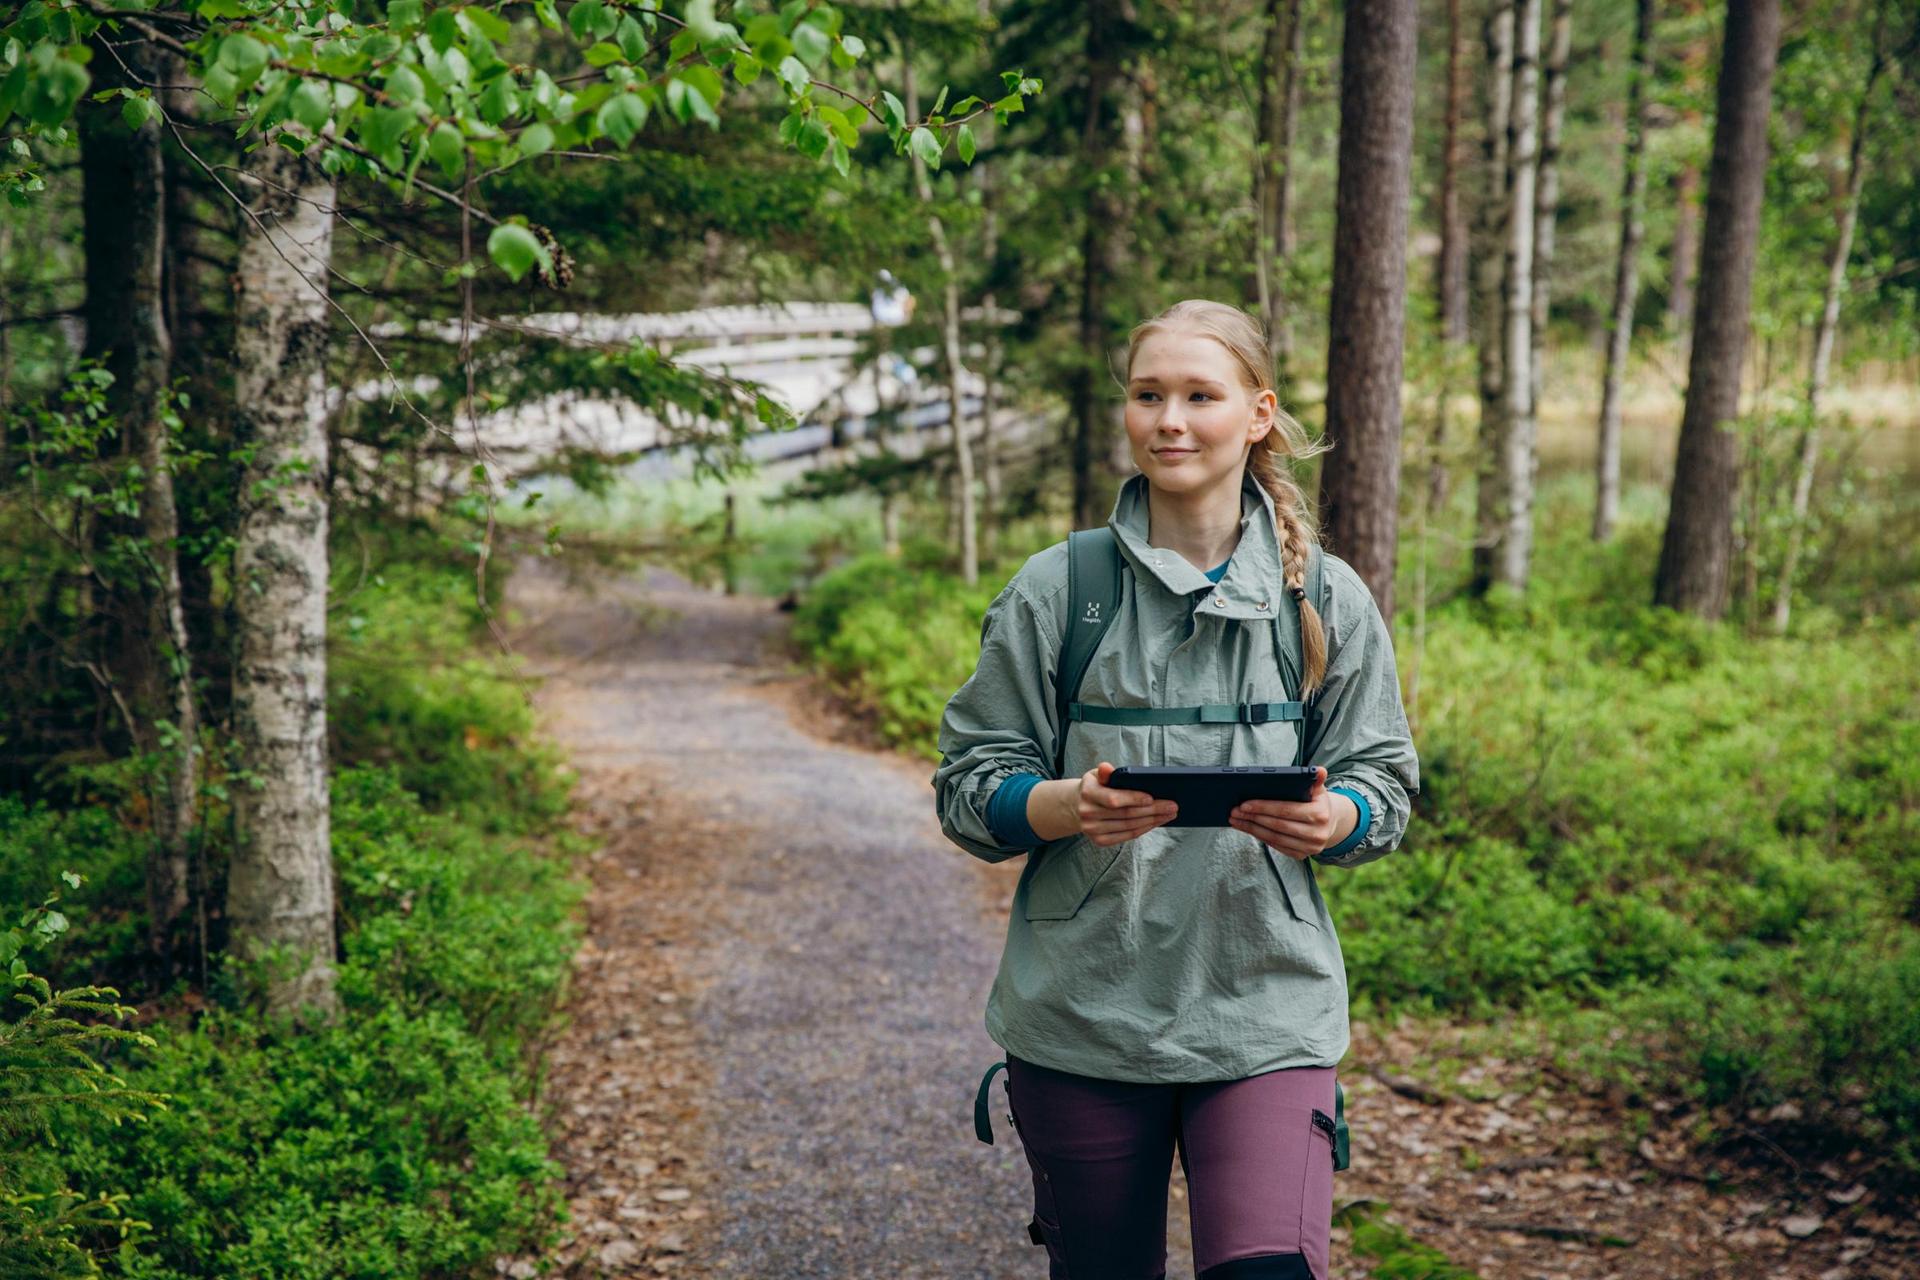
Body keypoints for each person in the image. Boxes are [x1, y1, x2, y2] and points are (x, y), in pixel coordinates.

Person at [931, 299, 1419, 1280]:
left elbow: (1384, 783)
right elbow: (969, 785)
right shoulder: (1059, 589)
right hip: (1083, 1016)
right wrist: (1066, 805)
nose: (1170, 420)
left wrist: (1335, 816)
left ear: (1258, 413)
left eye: (1201, 395)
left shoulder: (1323, 596)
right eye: (1149, 395)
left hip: (1265, 1012)